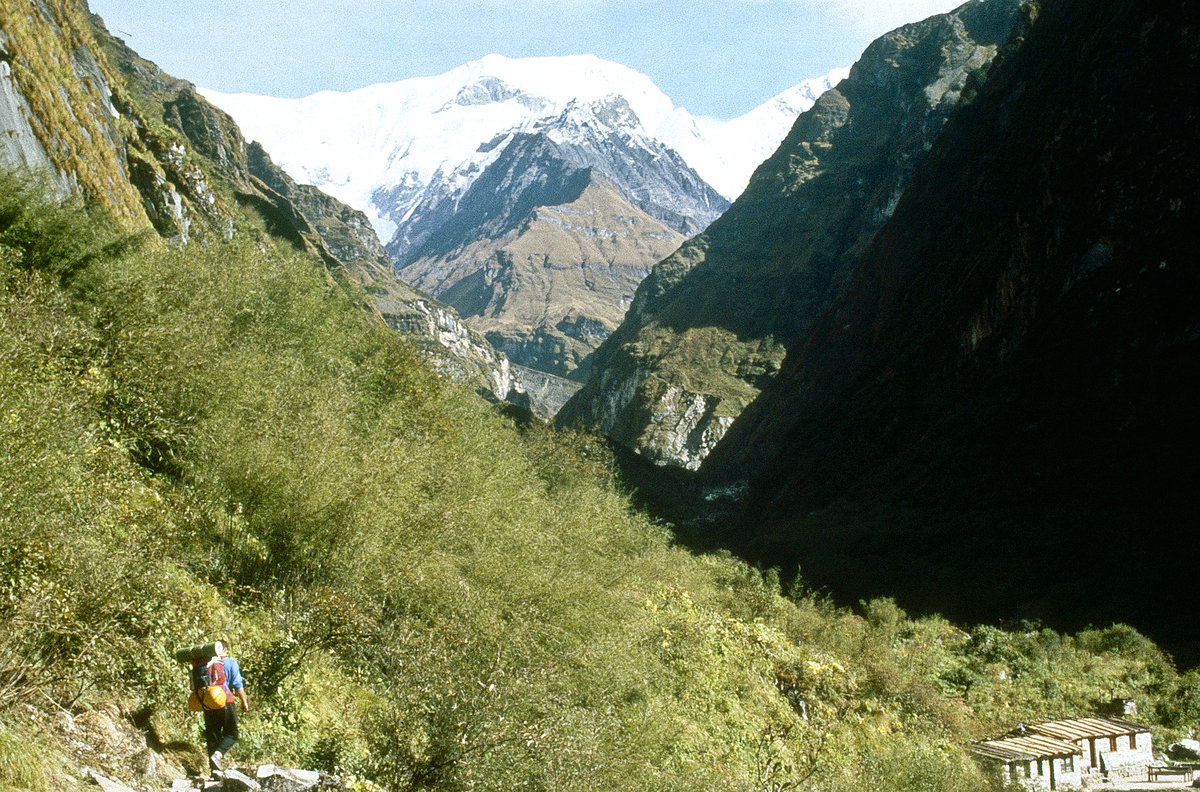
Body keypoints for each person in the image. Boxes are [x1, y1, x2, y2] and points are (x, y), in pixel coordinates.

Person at [205, 640, 249, 775]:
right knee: (232, 733)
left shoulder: (206, 663)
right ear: (225, 650)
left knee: (213, 735)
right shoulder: (230, 662)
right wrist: (244, 702)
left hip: (208, 703)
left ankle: (214, 771)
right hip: (225, 702)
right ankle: (218, 754)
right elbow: (237, 685)